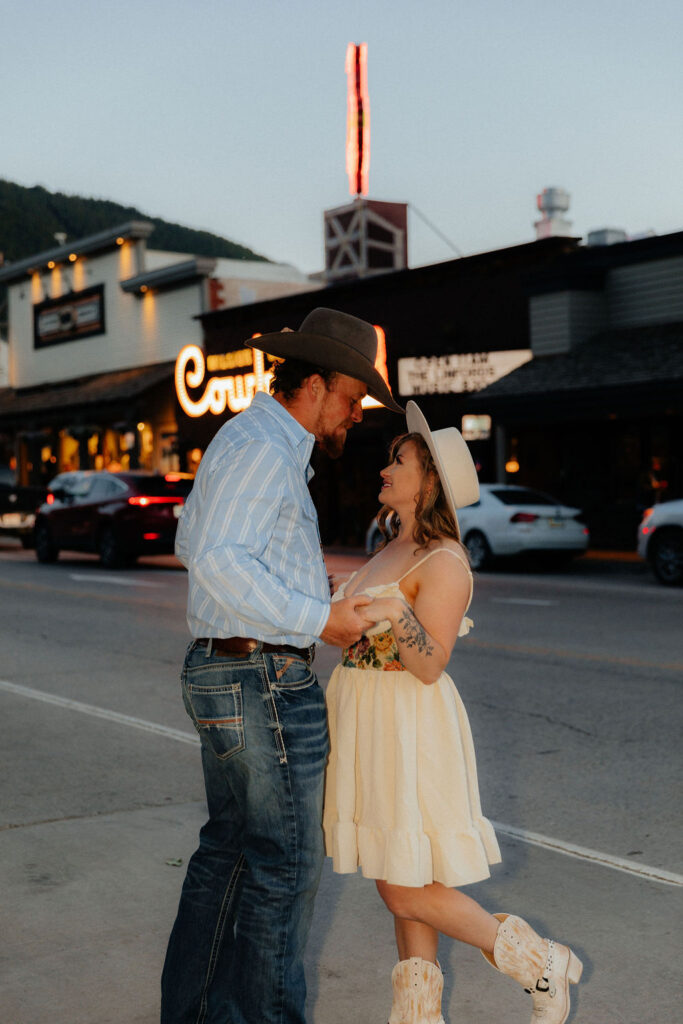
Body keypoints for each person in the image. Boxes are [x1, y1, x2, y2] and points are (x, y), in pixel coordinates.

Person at [161, 307, 404, 1024]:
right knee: (284, 867)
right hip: (260, 680)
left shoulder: (245, 438)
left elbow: (190, 542)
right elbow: (214, 559)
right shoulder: (268, 448)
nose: (355, 416)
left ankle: (197, 1014)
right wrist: (316, 618)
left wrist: (307, 597)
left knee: (230, 856)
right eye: (353, 398)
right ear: (319, 383)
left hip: (229, 671)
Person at [323, 401, 583, 1024]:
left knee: (399, 881)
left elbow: (431, 662)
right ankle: (418, 1017)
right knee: (404, 875)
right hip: (365, 719)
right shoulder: (391, 546)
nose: (385, 469)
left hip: (406, 726)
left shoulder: (442, 560)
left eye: (399, 460)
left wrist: (391, 614)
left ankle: (539, 962)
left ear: (431, 482)